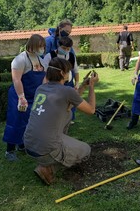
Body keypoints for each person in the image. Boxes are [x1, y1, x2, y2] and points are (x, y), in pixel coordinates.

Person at [24, 57, 98, 185]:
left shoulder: (41, 88)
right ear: (63, 73)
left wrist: (82, 86)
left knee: (67, 113)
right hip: (46, 149)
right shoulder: (67, 91)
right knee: (86, 150)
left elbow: (70, 102)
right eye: (68, 71)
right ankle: (47, 168)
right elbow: (91, 110)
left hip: (29, 144)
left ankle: (50, 158)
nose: (69, 73)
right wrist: (91, 86)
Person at [3, 34, 46, 161]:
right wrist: (21, 98)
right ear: (32, 45)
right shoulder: (19, 60)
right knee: (16, 121)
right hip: (19, 95)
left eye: (43, 46)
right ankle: (9, 150)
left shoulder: (41, 59)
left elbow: (44, 78)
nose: (42, 49)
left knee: (30, 122)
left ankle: (23, 145)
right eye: (40, 46)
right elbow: (16, 80)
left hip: (35, 96)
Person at [46, 20, 80, 123]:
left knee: (69, 99)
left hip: (67, 79)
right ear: (60, 28)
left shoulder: (69, 50)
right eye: (66, 31)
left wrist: (75, 81)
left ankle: (69, 118)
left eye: (70, 32)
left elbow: (73, 64)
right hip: (54, 79)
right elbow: (46, 63)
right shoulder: (49, 41)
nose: (68, 33)